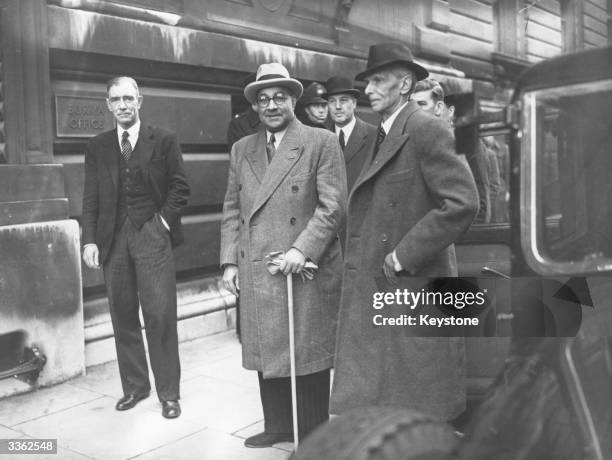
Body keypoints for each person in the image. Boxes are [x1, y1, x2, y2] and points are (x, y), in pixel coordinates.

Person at [330, 43, 479, 422]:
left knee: (413, 399)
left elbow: (462, 202)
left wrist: (403, 254)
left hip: (409, 284)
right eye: (368, 81)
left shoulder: (425, 128)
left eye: (379, 80)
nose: (369, 89)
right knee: (383, 399)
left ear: (405, 84)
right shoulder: (383, 132)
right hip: (381, 288)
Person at [220, 62, 347, 447]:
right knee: (266, 347)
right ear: (256, 107)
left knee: (305, 353)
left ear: (293, 100)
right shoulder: (243, 148)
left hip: (301, 266)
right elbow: (231, 208)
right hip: (257, 265)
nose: (272, 105)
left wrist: (301, 248)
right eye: (264, 99)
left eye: (279, 97)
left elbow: (333, 206)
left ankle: (312, 437)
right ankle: (278, 425)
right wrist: (229, 261)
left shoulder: (319, 141)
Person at [81, 76, 190, 419]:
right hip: (113, 240)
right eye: (116, 99)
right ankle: (135, 387)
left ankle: (169, 393)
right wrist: (90, 240)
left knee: (159, 315)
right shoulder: (97, 146)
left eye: (129, 98)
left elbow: (180, 188)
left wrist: (162, 224)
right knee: (122, 314)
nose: (123, 105)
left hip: (152, 236)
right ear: (108, 105)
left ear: (140, 100)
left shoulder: (164, 139)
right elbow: (91, 198)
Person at [323, 75, 377, 192]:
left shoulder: (375, 136)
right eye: (332, 101)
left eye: (343, 100)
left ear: (354, 103)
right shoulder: (320, 137)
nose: (337, 106)